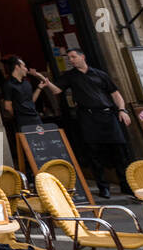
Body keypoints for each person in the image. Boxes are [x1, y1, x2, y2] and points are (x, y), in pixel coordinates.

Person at [40, 49, 131, 199]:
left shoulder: (100, 74)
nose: (71, 60)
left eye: (73, 57)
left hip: (108, 115)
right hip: (88, 117)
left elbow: (115, 94)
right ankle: (104, 187)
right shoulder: (70, 76)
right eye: (69, 58)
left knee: (119, 151)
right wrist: (48, 83)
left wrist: (122, 110)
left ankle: (125, 185)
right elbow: (57, 91)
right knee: (94, 153)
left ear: (83, 56)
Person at [0, 55, 47, 128]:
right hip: (22, 121)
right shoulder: (8, 84)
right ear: (17, 67)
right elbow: (7, 106)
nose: (26, 69)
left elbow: (31, 101)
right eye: (24, 66)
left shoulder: (26, 83)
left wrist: (39, 88)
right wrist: (18, 116)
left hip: (36, 118)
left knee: (42, 139)